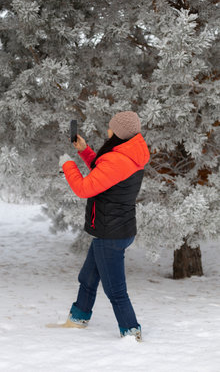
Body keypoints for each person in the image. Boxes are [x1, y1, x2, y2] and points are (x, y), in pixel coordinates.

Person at [56, 111, 150, 341]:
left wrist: (68, 165)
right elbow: (103, 175)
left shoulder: (118, 159)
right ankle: (78, 317)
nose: (108, 130)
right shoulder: (129, 153)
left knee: (115, 290)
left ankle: (131, 332)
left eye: (111, 128)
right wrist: (84, 151)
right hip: (117, 228)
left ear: (119, 133)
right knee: (88, 278)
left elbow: (84, 188)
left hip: (111, 233)